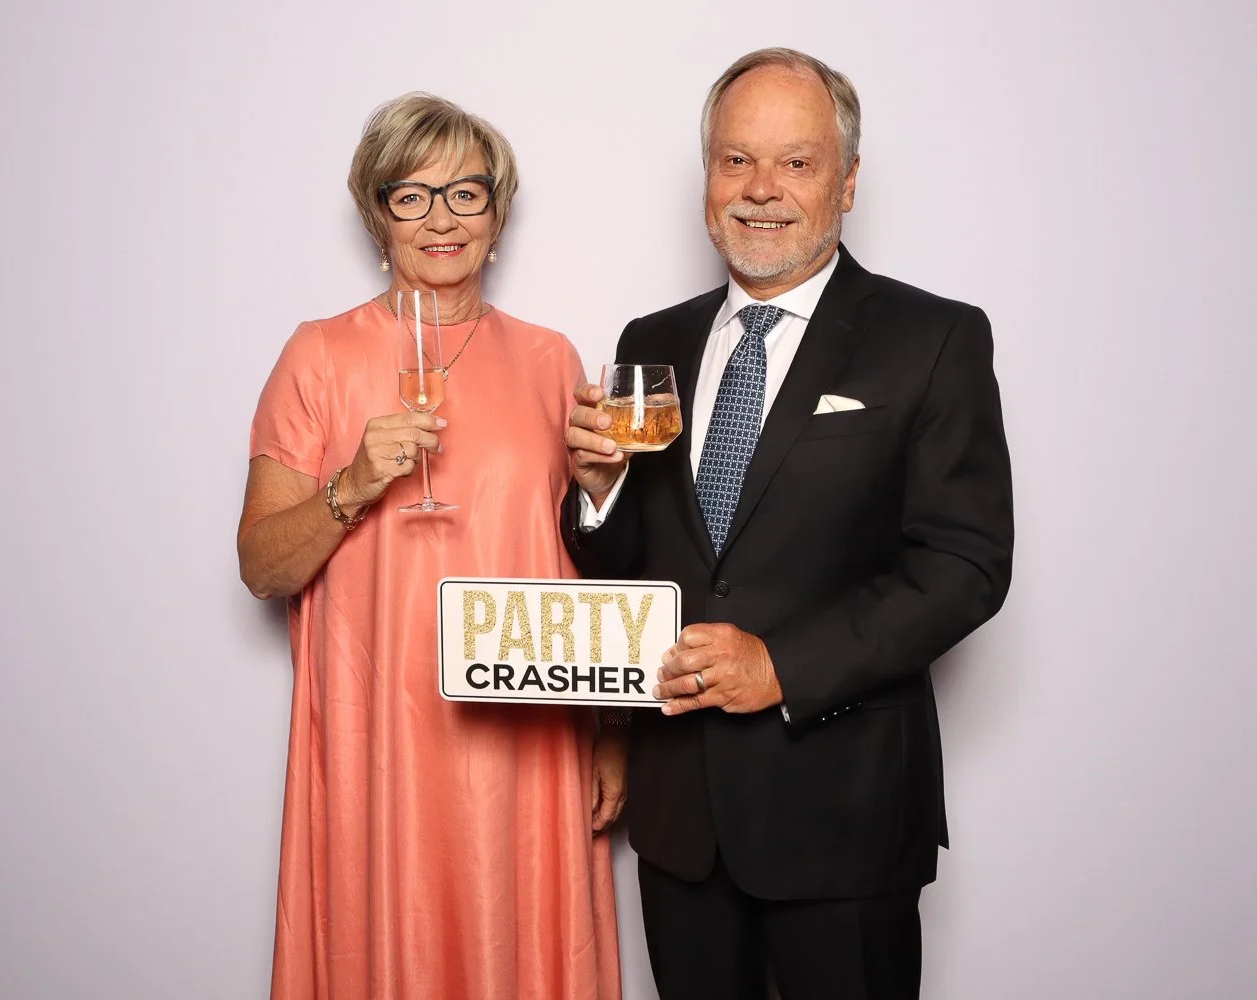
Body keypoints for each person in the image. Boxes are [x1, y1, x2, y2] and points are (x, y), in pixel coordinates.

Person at [562, 48, 1013, 999]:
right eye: (735, 161)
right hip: (682, 815)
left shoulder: (933, 340)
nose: (760, 190)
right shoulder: (654, 342)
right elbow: (635, 562)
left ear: (847, 182)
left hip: (843, 816)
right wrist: (597, 494)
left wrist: (780, 666)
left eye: (796, 163)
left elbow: (966, 565)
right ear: (706, 180)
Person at [238, 92, 623, 1000]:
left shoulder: (550, 360)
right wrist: (352, 486)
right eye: (411, 195)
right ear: (378, 215)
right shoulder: (319, 357)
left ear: (499, 213)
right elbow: (260, 567)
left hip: (525, 740)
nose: (441, 217)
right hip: (381, 744)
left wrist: (613, 734)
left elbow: (572, 560)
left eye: (466, 193)